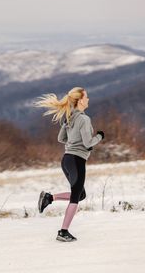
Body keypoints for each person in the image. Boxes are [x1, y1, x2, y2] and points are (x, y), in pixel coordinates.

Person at [34, 87, 104, 242]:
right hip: (77, 160)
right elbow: (87, 143)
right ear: (79, 100)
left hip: (66, 160)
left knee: (80, 194)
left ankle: (49, 197)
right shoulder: (84, 119)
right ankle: (63, 232)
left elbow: (61, 138)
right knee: (75, 198)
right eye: (86, 97)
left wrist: (71, 138)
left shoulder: (70, 117)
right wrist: (99, 136)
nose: (88, 99)